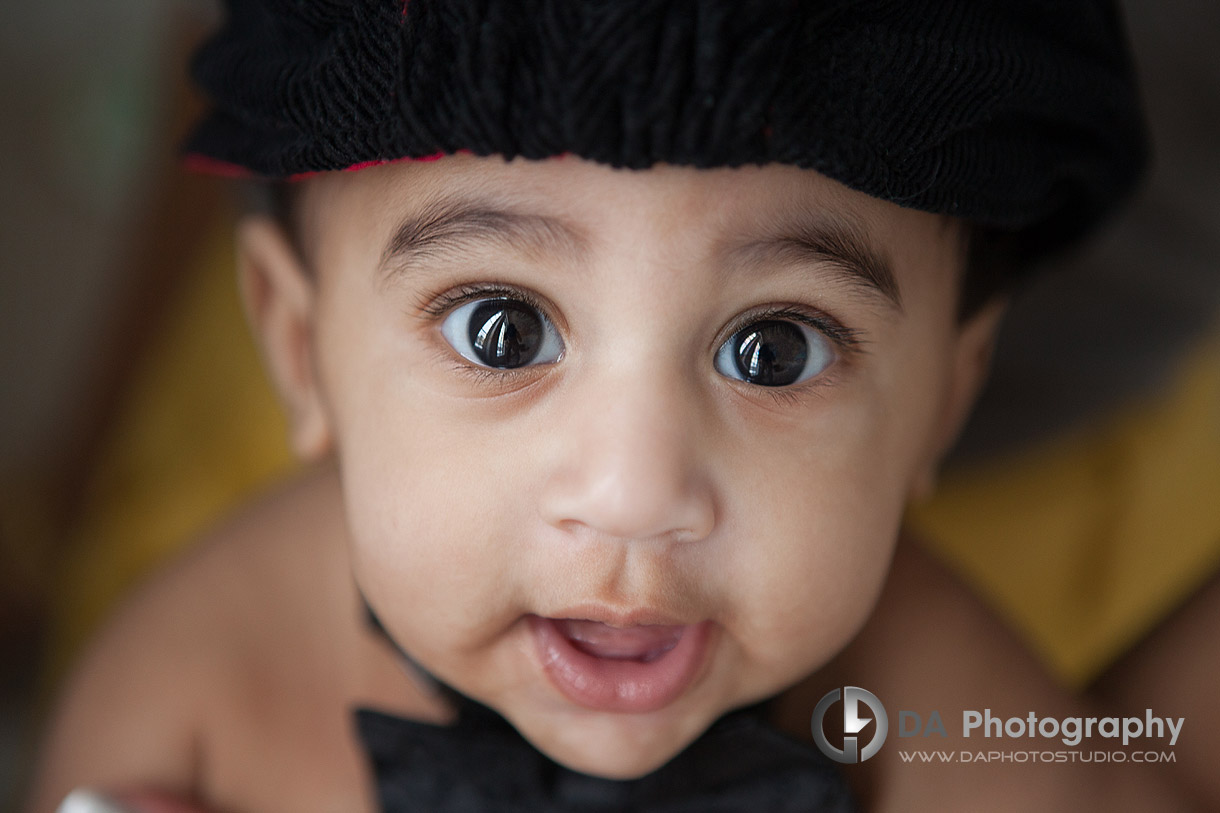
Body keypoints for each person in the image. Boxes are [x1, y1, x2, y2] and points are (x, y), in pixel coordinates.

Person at [24, 2, 1189, 811]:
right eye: (504, 331)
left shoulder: (926, 708)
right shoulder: (196, 699)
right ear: (297, 349)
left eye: (770, 349)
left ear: (943, 397)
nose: (635, 495)